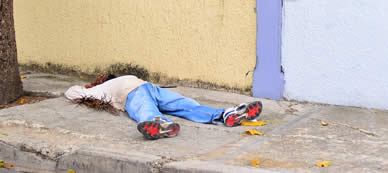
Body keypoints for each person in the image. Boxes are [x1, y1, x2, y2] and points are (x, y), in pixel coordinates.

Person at [65, 74, 263, 140]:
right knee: (186, 106)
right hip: (150, 88)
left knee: (145, 110)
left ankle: (159, 123)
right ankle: (226, 114)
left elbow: (71, 92)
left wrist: (86, 89)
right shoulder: (107, 85)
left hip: (135, 92)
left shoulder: (97, 89)